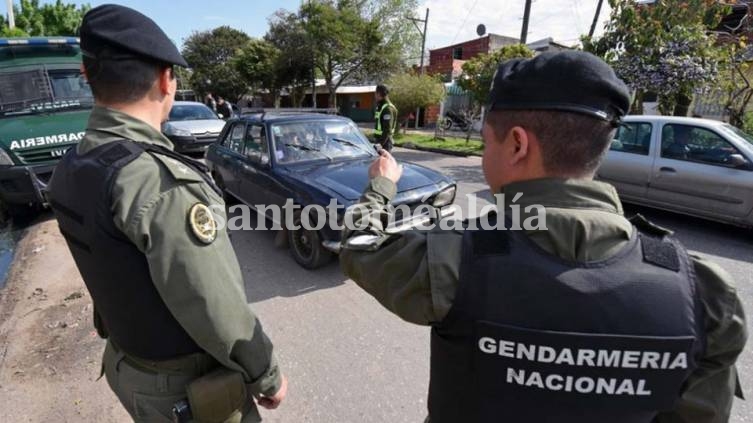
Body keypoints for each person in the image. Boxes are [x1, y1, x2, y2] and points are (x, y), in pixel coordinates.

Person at [340, 51, 746, 422]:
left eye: (485, 143)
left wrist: (382, 186)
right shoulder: (702, 294)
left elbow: (362, 247)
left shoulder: (454, 259)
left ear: (517, 144)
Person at [47, 5, 286, 422]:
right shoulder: (159, 182)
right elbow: (214, 304)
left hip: (129, 367)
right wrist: (266, 374)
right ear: (165, 79)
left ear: (89, 78)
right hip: (185, 392)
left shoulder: (74, 162)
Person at [373, 84, 398, 151]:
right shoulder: (381, 106)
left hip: (384, 143)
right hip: (381, 141)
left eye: (375, 93)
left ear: (378, 94)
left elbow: (387, 130)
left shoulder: (387, 109)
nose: (375, 95)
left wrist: (379, 145)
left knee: (383, 161)